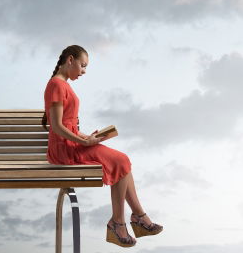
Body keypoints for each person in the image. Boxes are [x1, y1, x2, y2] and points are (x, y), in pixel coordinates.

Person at [42, 45, 163, 248]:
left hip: (71, 143)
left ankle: (133, 219)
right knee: (121, 161)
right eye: (82, 65)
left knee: (122, 163)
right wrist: (83, 142)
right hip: (64, 150)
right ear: (70, 60)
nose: (83, 71)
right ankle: (124, 221)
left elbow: (68, 124)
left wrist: (88, 137)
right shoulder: (56, 85)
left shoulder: (63, 85)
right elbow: (56, 126)